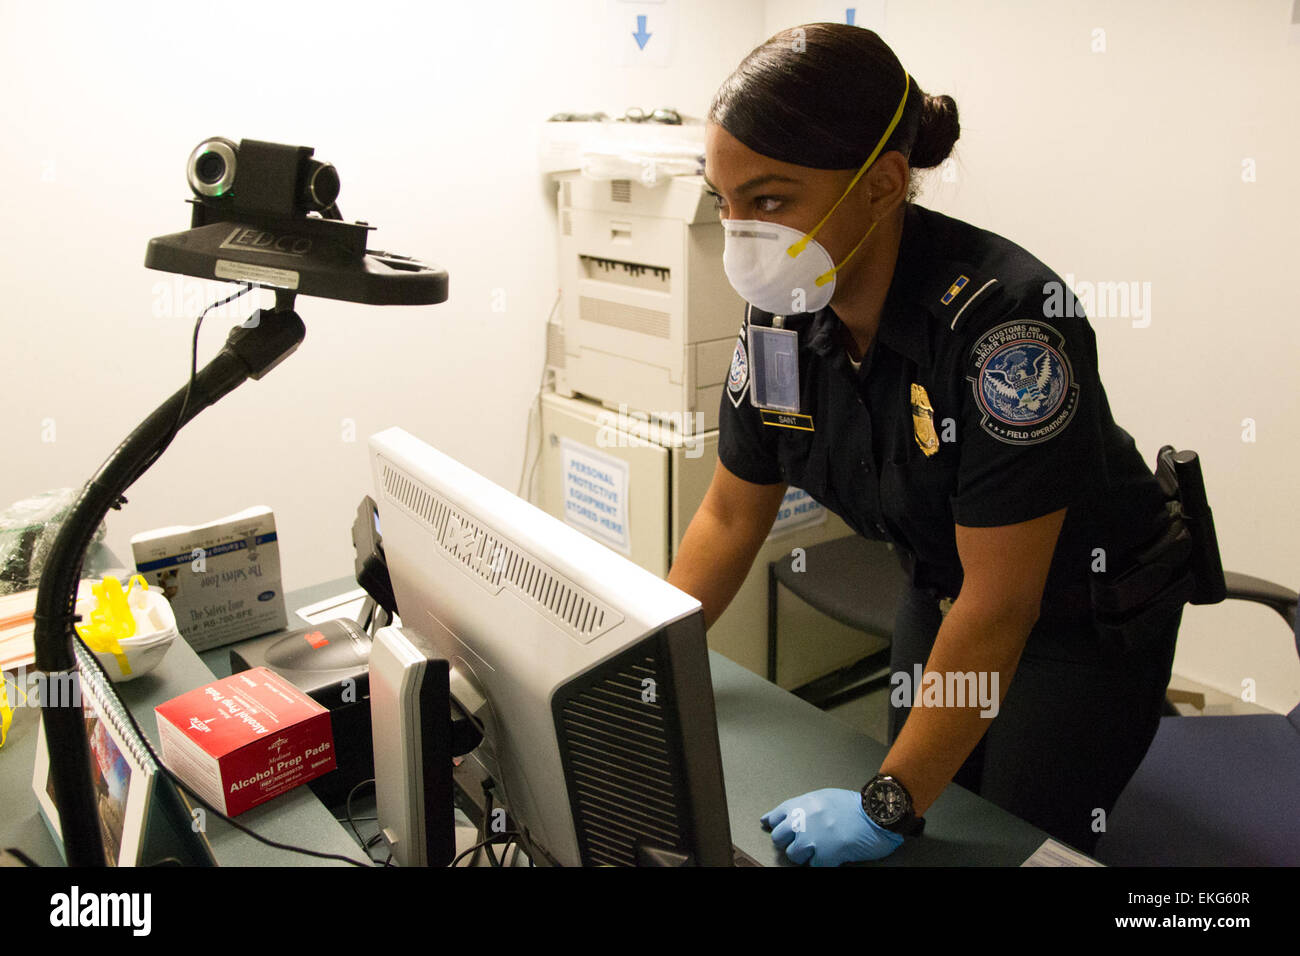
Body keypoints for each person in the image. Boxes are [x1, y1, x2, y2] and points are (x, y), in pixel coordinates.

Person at [665, 22, 1187, 865]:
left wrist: (886, 802)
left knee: (998, 838)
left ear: (882, 186)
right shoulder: (784, 315)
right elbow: (729, 515)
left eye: (769, 200)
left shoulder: (1007, 328)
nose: (741, 236)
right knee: (924, 823)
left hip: (1080, 618)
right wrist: (644, 654)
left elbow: (1003, 603)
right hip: (943, 584)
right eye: (723, 202)